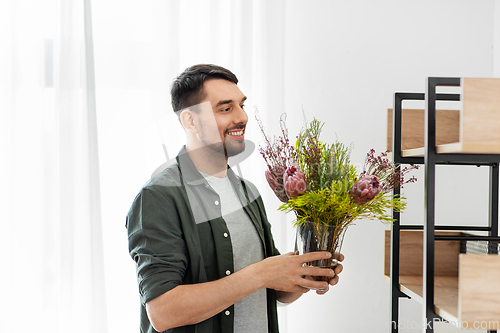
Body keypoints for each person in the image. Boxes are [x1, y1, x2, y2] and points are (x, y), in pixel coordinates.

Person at [126, 64, 344, 333]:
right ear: (190, 121)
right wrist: (261, 273)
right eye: (225, 109)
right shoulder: (159, 197)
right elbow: (163, 312)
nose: (242, 117)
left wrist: (303, 275)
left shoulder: (247, 191)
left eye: (242, 105)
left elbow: (272, 290)